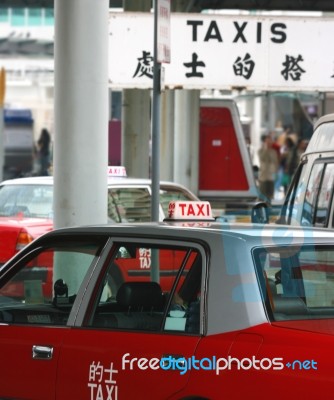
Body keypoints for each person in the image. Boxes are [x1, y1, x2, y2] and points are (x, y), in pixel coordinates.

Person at [258, 134, 279, 202]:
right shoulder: (260, 150)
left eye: (270, 141)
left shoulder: (273, 152)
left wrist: (276, 172)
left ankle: (268, 208)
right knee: (262, 195)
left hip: (271, 176)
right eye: (268, 141)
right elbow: (262, 157)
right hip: (263, 176)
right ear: (264, 142)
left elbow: (275, 163)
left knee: (270, 195)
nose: (269, 142)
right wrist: (266, 148)